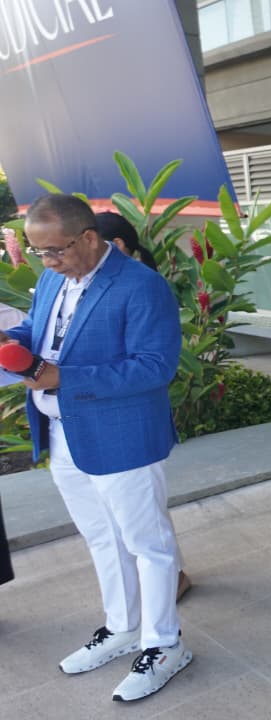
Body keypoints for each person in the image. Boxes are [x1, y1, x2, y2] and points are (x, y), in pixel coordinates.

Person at [1, 194, 189, 702]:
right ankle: (123, 627)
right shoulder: (51, 279)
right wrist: (8, 339)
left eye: (55, 250)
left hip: (122, 436)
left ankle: (165, 644)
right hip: (63, 434)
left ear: (89, 237)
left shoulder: (140, 285)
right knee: (102, 538)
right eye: (38, 252)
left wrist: (64, 377)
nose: (47, 262)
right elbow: (39, 332)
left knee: (147, 545)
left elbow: (155, 366)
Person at [94, 211, 192, 602]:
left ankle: (172, 579)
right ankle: (167, 578)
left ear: (115, 246)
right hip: (104, 420)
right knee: (141, 514)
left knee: (148, 515)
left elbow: (152, 364)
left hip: (133, 420)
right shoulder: (95, 284)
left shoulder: (142, 287)